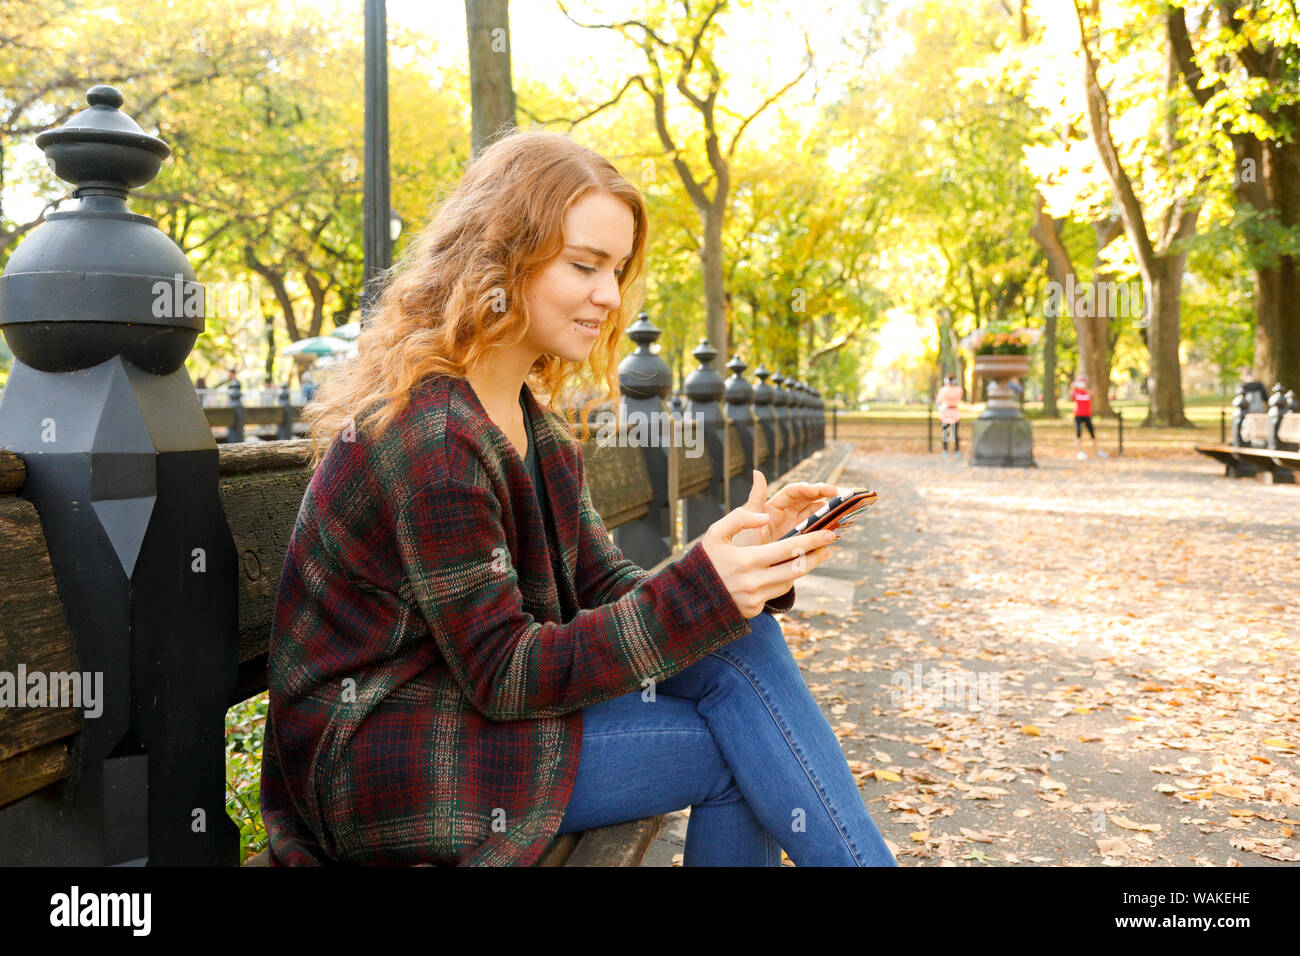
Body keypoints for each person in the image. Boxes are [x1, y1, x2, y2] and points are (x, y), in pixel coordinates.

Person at [259, 129, 897, 867]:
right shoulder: (432, 435)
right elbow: (506, 673)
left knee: (741, 637)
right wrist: (703, 592)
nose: (609, 295)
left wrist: (738, 569)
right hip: (385, 756)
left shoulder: (538, 428)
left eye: (618, 269)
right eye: (584, 265)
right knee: (736, 751)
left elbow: (605, 589)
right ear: (498, 257)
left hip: (469, 714)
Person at [1071, 374, 1107, 459]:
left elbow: (1091, 395)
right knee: (1078, 434)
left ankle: (1098, 451)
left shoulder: (1089, 391)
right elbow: (1071, 395)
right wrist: (1073, 386)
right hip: (1078, 415)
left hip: (1087, 415)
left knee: (1092, 434)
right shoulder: (1076, 392)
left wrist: (1085, 388)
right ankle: (1079, 452)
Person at [936, 374, 963, 459]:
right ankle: (957, 452)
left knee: (946, 434)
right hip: (954, 413)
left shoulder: (943, 390)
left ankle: (945, 451)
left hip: (946, 413)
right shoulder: (959, 390)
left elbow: (938, 401)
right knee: (955, 434)